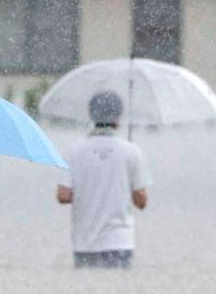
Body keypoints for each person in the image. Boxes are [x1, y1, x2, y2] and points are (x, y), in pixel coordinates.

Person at [56, 92, 151, 269]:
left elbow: (63, 196)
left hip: (84, 243)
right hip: (120, 242)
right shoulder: (132, 152)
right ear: (119, 117)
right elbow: (141, 202)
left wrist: (89, 188)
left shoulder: (73, 151)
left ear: (91, 115)